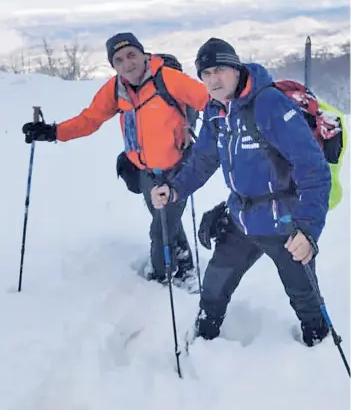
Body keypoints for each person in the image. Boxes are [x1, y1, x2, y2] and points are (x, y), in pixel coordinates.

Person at [151, 37, 332, 346]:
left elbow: (313, 167)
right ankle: (204, 338)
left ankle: (318, 343)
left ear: (236, 69)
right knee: (215, 284)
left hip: (284, 220)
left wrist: (308, 229)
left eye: (219, 69)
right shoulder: (215, 111)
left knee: (304, 294)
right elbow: (205, 158)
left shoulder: (269, 104)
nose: (213, 80)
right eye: (205, 74)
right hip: (242, 216)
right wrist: (175, 188)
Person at [22, 32, 209, 292]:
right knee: (165, 222)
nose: (127, 63)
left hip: (176, 169)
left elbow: (210, 102)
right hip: (144, 171)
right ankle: (186, 266)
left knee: (160, 229)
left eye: (131, 55)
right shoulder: (115, 89)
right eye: (119, 59)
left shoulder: (168, 78)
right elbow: (89, 120)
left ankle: (159, 276)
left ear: (144, 55)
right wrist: (52, 132)